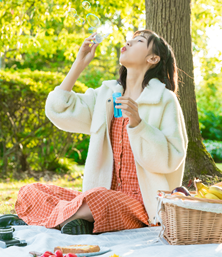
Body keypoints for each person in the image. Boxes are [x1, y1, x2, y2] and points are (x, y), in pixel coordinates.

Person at [11, 30, 189, 235]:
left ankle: (39, 218)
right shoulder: (105, 95)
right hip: (101, 195)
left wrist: (139, 124)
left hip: (141, 206)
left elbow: (170, 159)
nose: (128, 43)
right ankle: (72, 219)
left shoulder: (164, 99)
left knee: (98, 199)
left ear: (153, 58)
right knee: (31, 191)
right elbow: (58, 110)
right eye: (129, 40)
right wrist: (80, 63)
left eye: (138, 41)